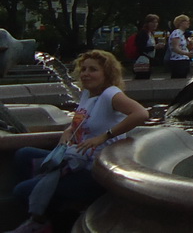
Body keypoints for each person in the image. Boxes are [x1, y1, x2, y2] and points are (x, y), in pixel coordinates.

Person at [7, 50, 149, 233]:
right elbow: (82, 121)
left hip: (94, 171)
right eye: (83, 69)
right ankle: (48, 204)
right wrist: (68, 131)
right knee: (23, 154)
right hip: (75, 160)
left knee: (22, 191)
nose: (86, 74)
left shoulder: (110, 94)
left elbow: (141, 114)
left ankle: (42, 221)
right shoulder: (87, 94)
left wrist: (104, 136)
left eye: (93, 69)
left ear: (107, 73)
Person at [131, 14, 160, 80]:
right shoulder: (143, 33)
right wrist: (154, 47)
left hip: (149, 60)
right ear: (147, 23)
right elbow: (141, 48)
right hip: (142, 60)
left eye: (156, 22)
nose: (155, 24)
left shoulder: (151, 34)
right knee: (141, 78)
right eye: (152, 22)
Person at [167, 15, 193, 79]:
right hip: (178, 60)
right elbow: (175, 48)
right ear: (180, 23)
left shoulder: (183, 34)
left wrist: (191, 43)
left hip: (184, 59)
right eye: (186, 21)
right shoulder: (177, 33)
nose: (188, 23)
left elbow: (187, 47)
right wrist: (187, 53)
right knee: (178, 78)